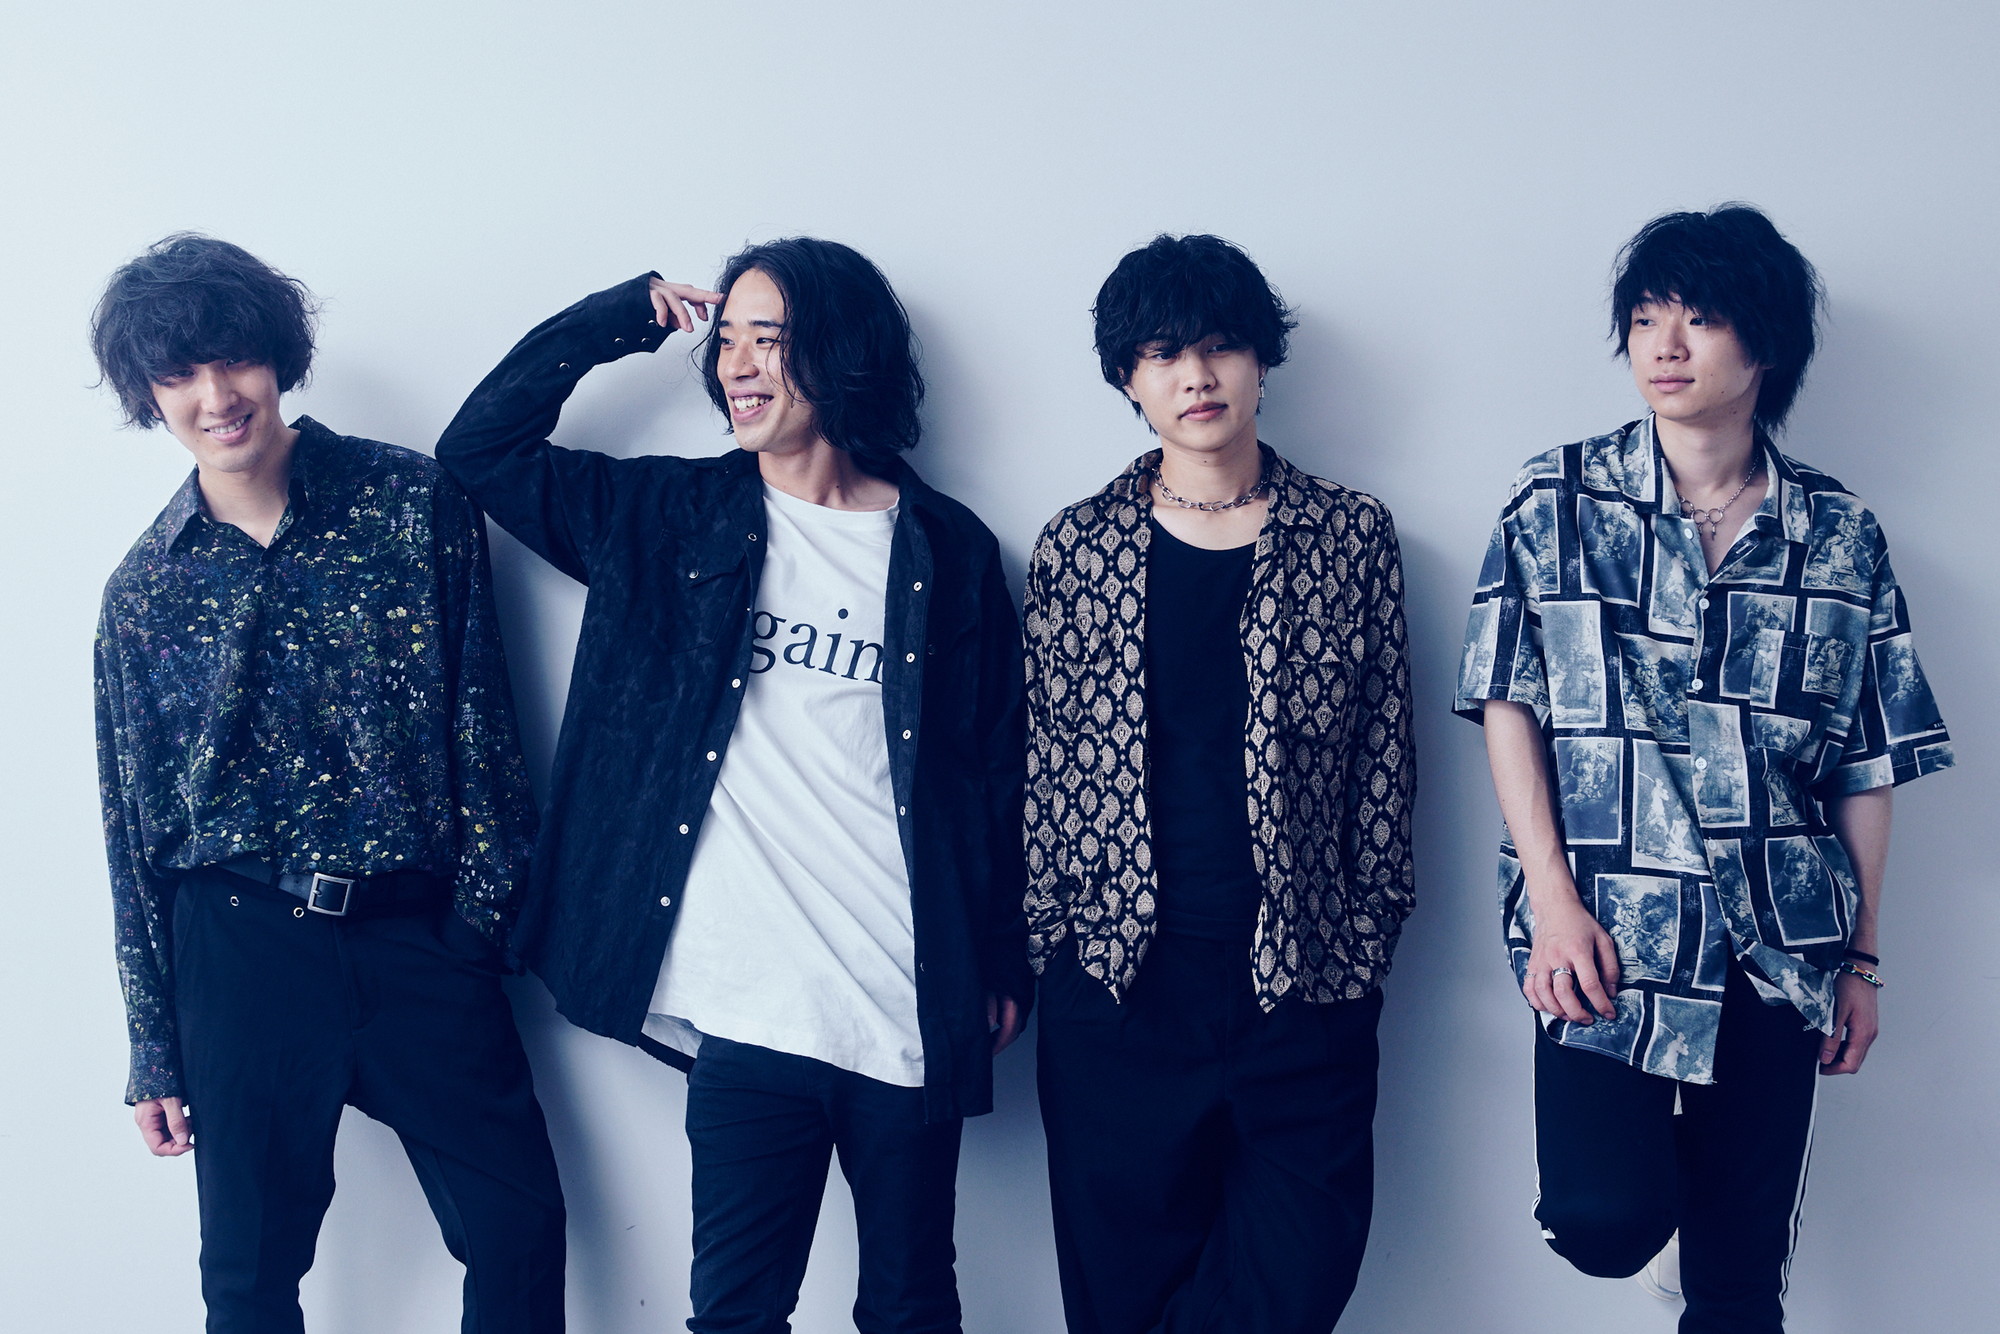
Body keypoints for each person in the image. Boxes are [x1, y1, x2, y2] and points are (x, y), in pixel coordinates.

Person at [434, 238, 1030, 1334]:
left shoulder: (946, 548)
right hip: (751, 1003)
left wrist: (998, 956)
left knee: (911, 1305)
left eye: (772, 339)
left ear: (841, 354)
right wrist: (620, 318)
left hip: (905, 984)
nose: (738, 365)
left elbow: (992, 767)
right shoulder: (661, 518)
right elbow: (478, 449)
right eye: (729, 340)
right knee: (737, 1314)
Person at [1454, 204, 1954, 1332]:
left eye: (1699, 319)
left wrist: (1863, 960)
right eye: (1644, 319)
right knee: (1601, 1217)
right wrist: (1550, 898)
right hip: (1605, 929)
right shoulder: (1555, 500)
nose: (1664, 346)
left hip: (1777, 936)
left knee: (1737, 1284)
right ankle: (1664, 1205)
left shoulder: (1840, 534)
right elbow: (1505, 700)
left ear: (1764, 345)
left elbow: (1865, 760)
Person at [90, 234, 565, 1333]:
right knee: (249, 1278)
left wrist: (480, 925)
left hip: (419, 933)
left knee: (518, 1229)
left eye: (234, 359)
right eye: (179, 375)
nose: (216, 397)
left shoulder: (409, 501)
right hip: (239, 948)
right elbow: (130, 826)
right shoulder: (143, 590)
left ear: (277, 356)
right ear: (150, 396)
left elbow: (484, 724)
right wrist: (153, 1044)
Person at [1022, 234, 1416, 1333]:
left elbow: (1385, 753)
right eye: (1163, 353)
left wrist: (1365, 937)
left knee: (1296, 1276)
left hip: (1304, 978)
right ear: (1128, 378)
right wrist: (1053, 941)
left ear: (1258, 360)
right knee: (1120, 1297)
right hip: (1120, 987)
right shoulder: (1076, 550)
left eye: (1219, 346)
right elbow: (1043, 767)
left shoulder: (1349, 535)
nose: (1196, 376)